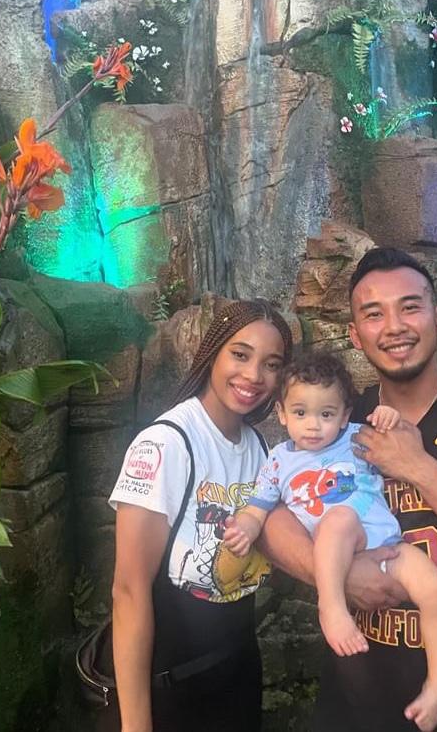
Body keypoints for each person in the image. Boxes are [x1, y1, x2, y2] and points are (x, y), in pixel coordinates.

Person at [258, 248, 437, 732]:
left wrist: (417, 467)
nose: (394, 326)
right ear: (355, 335)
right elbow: (270, 522)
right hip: (354, 708)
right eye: (374, 314)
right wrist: (337, 576)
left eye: (410, 307)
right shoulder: (335, 422)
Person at [224, 351, 437, 731]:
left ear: (345, 415)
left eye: (326, 414)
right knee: (338, 519)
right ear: (281, 413)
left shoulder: (355, 437)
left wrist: (390, 419)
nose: (313, 425)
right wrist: (246, 529)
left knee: (436, 589)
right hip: (339, 541)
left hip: (386, 542)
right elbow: (258, 509)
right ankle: (331, 609)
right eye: (301, 413)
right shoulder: (279, 461)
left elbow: (403, 439)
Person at [108, 299, 293, 732]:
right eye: (240, 354)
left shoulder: (259, 448)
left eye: (271, 364)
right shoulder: (165, 445)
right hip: (174, 686)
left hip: (238, 674)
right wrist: (136, 725)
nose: (254, 375)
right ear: (212, 353)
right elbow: (128, 591)